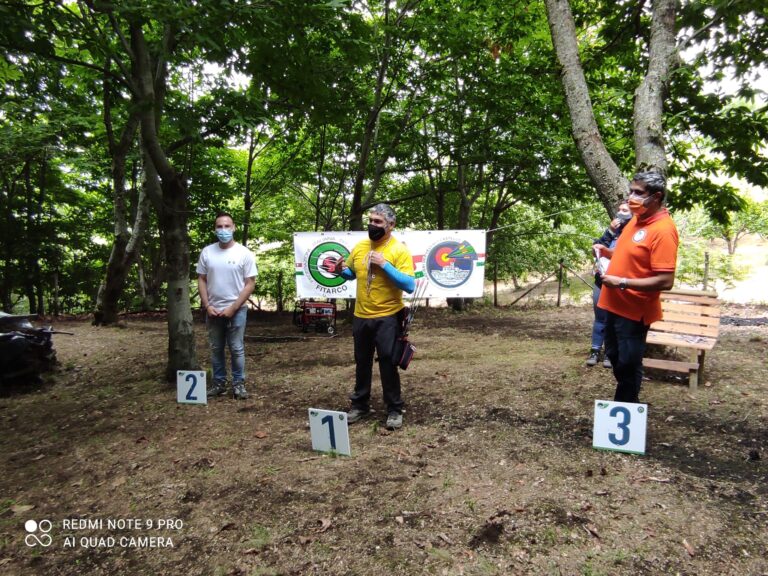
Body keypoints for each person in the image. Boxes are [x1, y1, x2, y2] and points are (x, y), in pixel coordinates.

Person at [597, 171, 679, 403]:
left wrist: (622, 283)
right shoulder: (635, 220)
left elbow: (665, 280)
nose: (631, 197)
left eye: (638, 192)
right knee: (613, 355)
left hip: (634, 311)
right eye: (631, 191)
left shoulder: (663, 230)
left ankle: (626, 405)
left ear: (656, 196)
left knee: (628, 363)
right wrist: (607, 253)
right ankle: (626, 401)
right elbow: (630, 255)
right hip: (612, 304)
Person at [332, 204, 415, 429]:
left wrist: (384, 264)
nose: (372, 225)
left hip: (388, 316)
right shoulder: (360, 247)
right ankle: (360, 405)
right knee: (362, 362)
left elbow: (409, 285)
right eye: (370, 220)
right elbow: (351, 274)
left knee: (388, 362)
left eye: (378, 222)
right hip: (361, 315)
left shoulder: (398, 250)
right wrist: (340, 271)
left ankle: (394, 409)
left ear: (391, 225)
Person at [196, 211, 258, 400]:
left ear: (234, 228)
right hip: (213, 310)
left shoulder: (244, 253)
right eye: (219, 226)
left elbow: (250, 283)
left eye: (227, 226)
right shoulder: (207, 252)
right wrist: (207, 305)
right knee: (216, 348)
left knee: (236, 348)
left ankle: (238, 384)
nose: (223, 230)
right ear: (215, 229)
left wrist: (234, 307)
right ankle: (219, 383)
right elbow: (201, 279)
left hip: (237, 310)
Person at [586, 201, 632, 368]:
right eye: (619, 210)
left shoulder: (632, 234)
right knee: (600, 318)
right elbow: (595, 250)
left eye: (624, 210)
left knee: (615, 320)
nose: (620, 213)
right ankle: (595, 350)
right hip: (601, 282)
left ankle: (609, 352)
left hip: (619, 283)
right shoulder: (611, 232)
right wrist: (610, 231)